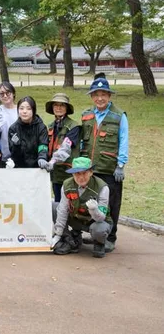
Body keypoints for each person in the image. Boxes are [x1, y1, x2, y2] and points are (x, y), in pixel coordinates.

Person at [80, 77, 129, 253]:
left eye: (103, 94)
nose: (100, 98)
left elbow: (123, 140)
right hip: (90, 169)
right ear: (91, 96)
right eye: (96, 95)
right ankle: (96, 234)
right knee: (90, 202)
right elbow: (82, 141)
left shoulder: (119, 116)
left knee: (111, 204)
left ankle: (110, 237)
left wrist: (120, 165)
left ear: (109, 95)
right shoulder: (86, 115)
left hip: (110, 169)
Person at [51, 157, 112, 258]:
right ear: (72, 174)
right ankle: (69, 239)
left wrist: (94, 210)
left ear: (91, 172)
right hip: (77, 218)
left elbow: (101, 218)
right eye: (77, 173)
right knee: (54, 207)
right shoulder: (66, 185)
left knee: (99, 229)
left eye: (84, 173)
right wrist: (58, 234)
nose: (81, 177)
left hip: (95, 222)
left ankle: (99, 243)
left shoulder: (102, 187)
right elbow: (62, 210)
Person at [44, 93, 80, 202]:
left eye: (62, 105)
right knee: (57, 201)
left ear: (67, 108)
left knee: (70, 203)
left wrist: (52, 161)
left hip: (68, 174)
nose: (58, 108)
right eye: (56, 105)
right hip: (55, 174)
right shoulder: (50, 126)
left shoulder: (74, 126)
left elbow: (66, 147)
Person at [8, 96, 49, 169]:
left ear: (33, 110)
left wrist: (42, 157)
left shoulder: (41, 127)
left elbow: (43, 144)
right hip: (20, 168)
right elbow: (13, 154)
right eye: (21, 108)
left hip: (38, 166)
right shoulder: (13, 129)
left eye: (28, 108)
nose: (24, 111)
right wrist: (16, 146)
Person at [0, 82, 18, 160]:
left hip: (18, 150)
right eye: (2, 94)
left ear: (13, 94)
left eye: (8, 93)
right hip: (1, 152)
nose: (5, 96)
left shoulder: (20, 109)